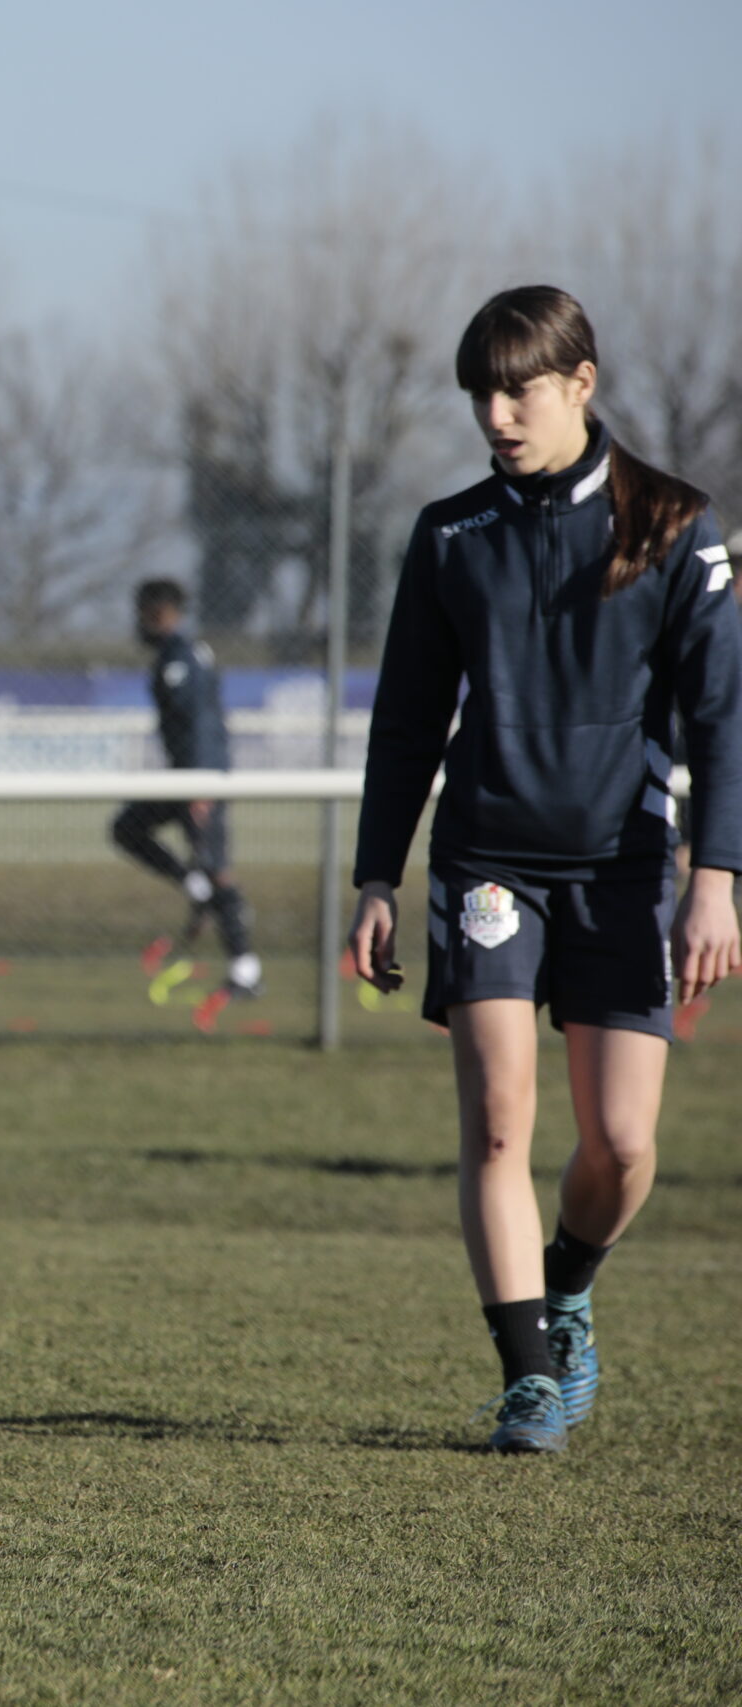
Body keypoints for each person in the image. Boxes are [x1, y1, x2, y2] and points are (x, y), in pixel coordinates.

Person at [348, 285, 741, 1453]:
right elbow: (406, 720)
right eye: (481, 391)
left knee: (619, 1146)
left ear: (581, 381)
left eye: (518, 387)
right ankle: (527, 1378)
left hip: (623, 867)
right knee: (497, 1126)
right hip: (485, 862)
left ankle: (566, 1283)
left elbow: (721, 715)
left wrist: (714, 875)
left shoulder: (676, 523)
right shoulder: (451, 533)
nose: (496, 413)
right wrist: (376, 876)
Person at [110, 579, 262, 1000]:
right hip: (184, 776)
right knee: (127, 828)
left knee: (218, 870)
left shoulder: (180, 658)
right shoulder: (183, 653)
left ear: (158, 613)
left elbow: (198, 722)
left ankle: (246, 971)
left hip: (198, 779)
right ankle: (192, 884)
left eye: (144, 613)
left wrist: (200, 785)